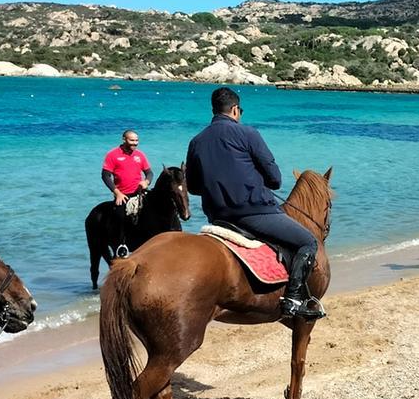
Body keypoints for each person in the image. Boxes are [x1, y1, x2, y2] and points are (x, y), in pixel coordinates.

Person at [186, 87, 325, 320]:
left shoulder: (196, 141)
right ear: (234, 110)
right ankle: (292, 299)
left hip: (218, 217)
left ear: (213, 111)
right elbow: (275, 179)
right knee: (308, 242)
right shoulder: (248, 134)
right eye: (240, 111)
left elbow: (193, 187)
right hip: (254, 214)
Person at [101, 129, 153, 258]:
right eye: (132, 140)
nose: (135, 143)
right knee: (120, 215)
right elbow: (105, 176)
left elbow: (149, 173)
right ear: (124, 139)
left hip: (140, 193)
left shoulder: (140, 155)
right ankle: (121, 245)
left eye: (136, 141)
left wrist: (147, 181)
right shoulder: (113, 155)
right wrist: (117, 192)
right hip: (123, 194)